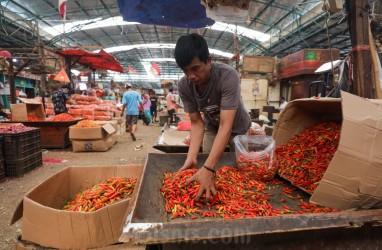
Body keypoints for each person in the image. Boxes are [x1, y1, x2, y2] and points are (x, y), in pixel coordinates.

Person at [174, 33, 251, 201]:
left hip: (238, 128)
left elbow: (226, 125)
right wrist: (192, 156)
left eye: (195, 69)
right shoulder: (184, 85)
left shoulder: (228, 76)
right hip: (212, 127)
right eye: (185, 71)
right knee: (209, 162)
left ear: (208, 61)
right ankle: (216, 194)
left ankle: (241, 199)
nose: (191, 76)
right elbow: (196, 123)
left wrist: (208, 169)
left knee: (243, 171)